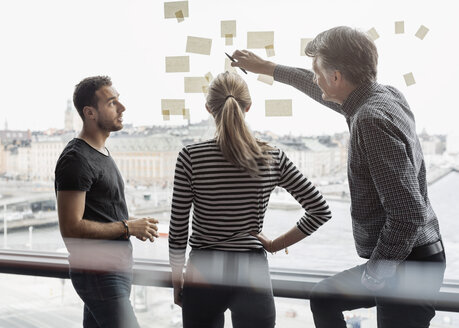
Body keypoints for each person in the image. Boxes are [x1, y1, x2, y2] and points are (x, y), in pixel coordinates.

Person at [231, 26, 446, 328]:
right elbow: (314, 85)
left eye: (318, 71)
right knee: (324, 297)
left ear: (336, 78)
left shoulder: (370, 119)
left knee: (325, 298)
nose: (315, 78)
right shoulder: (384, 96)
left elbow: (407, 213)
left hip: (407, 266)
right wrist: (267, 68)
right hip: (413, 257)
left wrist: (374, 275)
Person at [168, 71, 332, 328]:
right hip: (251, 269)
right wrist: (276, 244)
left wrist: (177, 279)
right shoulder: (272, 157)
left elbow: (178, 229)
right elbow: (320, 210)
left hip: (204, 268)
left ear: (209, 109)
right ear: (248, 107)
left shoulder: (190, 157)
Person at [55, 76, 159, 328]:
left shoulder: (100, 153)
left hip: (113, 271)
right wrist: (127, 227)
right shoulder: (76, 159)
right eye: (112, 103)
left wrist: (133, 224)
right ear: (90, 112)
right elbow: (70, 228)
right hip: (99, 274)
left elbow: (99, 214)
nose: (122, 108)